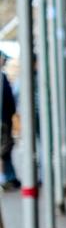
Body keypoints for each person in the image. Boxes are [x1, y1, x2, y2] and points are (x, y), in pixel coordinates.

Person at [0, 53, 17, 189]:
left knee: (6, 150)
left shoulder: (3, 77)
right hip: (3, 120)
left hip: (5, 119)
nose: (4, 61)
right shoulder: (2, 78)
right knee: (5, 150)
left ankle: (9, 177)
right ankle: (8, 178)